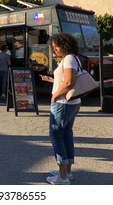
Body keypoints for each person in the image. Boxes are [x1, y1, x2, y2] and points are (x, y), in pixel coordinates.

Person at [41, 32, 81, 185]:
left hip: (63, 103)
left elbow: (69, 82)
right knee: (66, 135)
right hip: (71, 103)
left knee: (56, 136)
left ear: (64, 44)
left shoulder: (69, 59)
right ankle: (67, 172)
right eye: (53, 47)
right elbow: (65, 80)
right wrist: (51, 80)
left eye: (56, 46)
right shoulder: (73, 58)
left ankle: (62, 177)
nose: (54, 49)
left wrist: (54, 96)